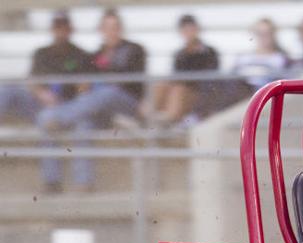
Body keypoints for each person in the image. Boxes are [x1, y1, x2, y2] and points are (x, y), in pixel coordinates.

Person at [37, 8, 145, 193]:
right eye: (107, 27)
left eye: (115, 27)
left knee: (108, 92)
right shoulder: (94, 55)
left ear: (120, 29)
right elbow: (85, 84)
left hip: (126, 104)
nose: (111, 31)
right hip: (101, 109)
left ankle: (58, 118)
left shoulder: (134, 50)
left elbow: (129, 82)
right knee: (83, 122)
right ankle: (83, 183)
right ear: (101, 30)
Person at [0, 10, 91, 127]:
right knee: (8, 89)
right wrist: (42, 94)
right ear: (52, 29)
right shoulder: (41, 53)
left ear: (70, 29)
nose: (61, 31)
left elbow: (84, 87)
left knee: (49, 117)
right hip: (40, 103)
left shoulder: (80, 55)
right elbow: (32, 81)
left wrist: (71, 96)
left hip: (67, 105)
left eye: (64, 27)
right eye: (57, 27)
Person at [141, 14, 220, 127]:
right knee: (161, 86)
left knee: (178, 89)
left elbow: (209, 79)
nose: (188, 33)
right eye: (185, 30)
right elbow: (175, 75)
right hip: (179, 89)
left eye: (191, 29)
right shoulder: (180, 54)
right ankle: (146, 117)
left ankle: (168, 119)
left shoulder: (209, 52)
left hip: (198, 93)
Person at [230, 18, 291, 97]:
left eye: (267, 33)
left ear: (273, 34)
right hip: (244, 98)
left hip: (270, 97)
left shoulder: (282, 59)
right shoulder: (243, 58)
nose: (264, 37)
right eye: (260, 33)